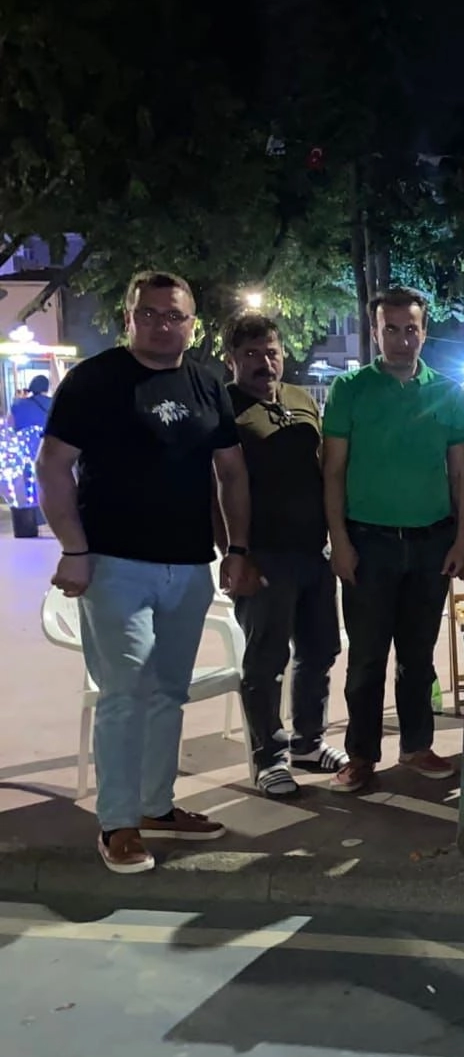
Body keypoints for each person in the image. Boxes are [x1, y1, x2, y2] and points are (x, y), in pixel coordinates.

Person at [36, 270, 253, 873]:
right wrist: (73, 549)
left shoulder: (207, 382)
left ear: (193, 324)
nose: (162, 325)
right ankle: (118, 824)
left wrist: (238, 548)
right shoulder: (94, 380)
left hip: (189, 565)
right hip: (115, 565)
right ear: (129, 319)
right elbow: (52, 466)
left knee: (167, 694)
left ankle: (156, 806)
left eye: (175, 315)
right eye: (150, 314)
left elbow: (231, 472)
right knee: (124, 694)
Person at [322, 286, 464, 793]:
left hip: (432, 542)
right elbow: (333, 471)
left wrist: (462, 539)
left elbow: (462, 473)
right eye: (391, 329)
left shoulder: (448, 392)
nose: (402, 339)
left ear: (424, 332)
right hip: (369, 543)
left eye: (411, 329)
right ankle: (361, 755)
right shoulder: (350, 389)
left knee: (419, 655)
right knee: (366, 657)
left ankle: (416, 746)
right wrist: (339, 541)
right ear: (375, 332)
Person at [219, 313, 346, 798]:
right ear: (231, 359)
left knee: (320, 651)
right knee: (266, 662)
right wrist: (234, 554)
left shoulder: (299, 399)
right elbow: (217, 488)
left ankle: (308, 744)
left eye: (270, 352)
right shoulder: (224, 408)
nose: (263, 362)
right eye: (250, 354)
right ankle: (268, 760)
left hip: (313, 551)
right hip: (262, 556)